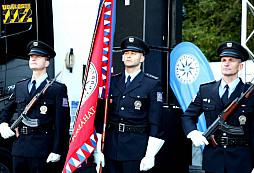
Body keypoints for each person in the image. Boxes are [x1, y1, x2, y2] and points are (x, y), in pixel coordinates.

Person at [93, 36, 165, 173]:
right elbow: (100, 118)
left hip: (135, 148)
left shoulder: (151, 84)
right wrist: (97, 150)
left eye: (134, 53)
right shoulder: (112, 82)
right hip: (111, 147)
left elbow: (156, 122)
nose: (129, 56)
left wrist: (150, 155)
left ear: (142, 58)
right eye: (126, 53)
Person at [181, 41, 254, 173]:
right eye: (223, 60)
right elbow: (188, 116)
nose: (226, 63)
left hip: (241, 160)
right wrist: (193, 133)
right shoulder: (206, 90)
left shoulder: (250, 92)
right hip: (214, 159)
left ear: (241, 66)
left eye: (231, 60)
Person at [0, 40, 70, 173]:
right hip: (19, 149)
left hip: (42, 149)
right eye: (32, 57)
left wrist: (57, 150)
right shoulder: (20, 86)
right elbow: (6, 111)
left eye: (38, 57)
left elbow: (62, 123)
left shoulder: (56, 89)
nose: (33, 59)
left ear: (47, 62)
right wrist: (2, 124)